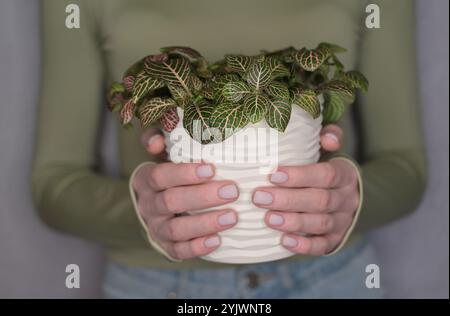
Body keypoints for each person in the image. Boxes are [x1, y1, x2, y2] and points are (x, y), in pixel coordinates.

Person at [32, 0, 426, 298]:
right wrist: (146, 212)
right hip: (157, 286)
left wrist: (349, 198)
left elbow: (407, 167)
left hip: (331, 281)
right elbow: (53, 184)